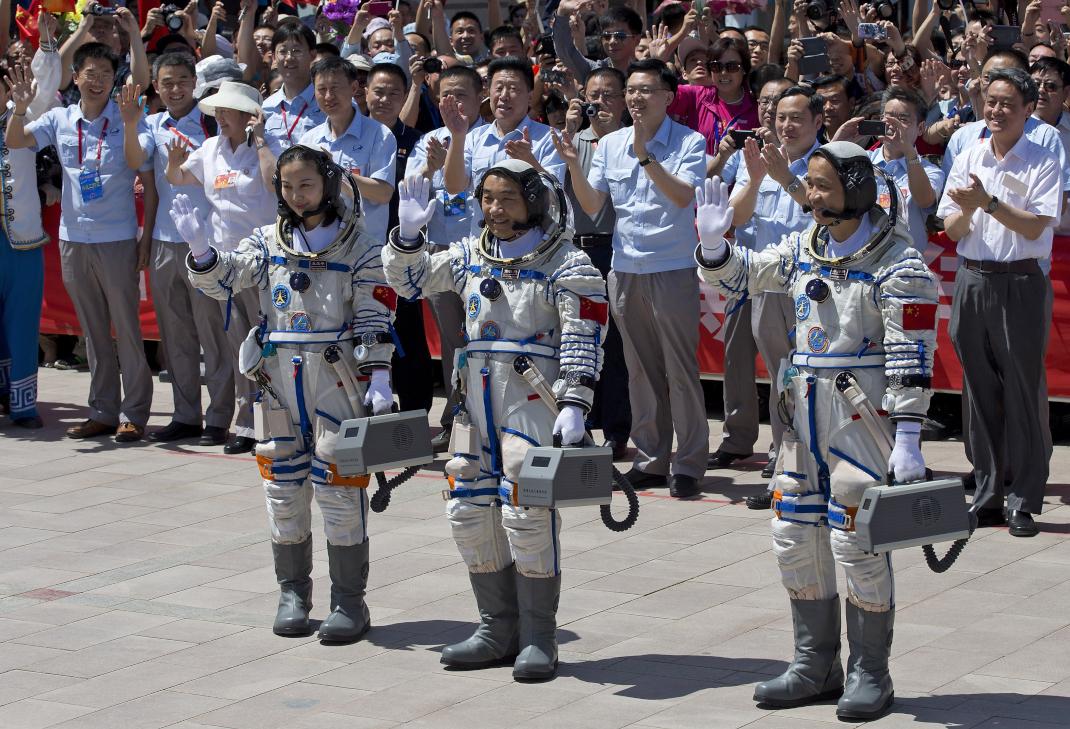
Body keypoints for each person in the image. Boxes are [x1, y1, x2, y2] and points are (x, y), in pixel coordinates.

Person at [695, 142, 939, 721]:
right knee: (794, 533)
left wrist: (908, 436)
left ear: (857, 191)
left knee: (855, 540)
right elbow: (741, 278)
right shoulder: (805, 249)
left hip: (863, 416)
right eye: (811, 184)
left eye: (824, 186)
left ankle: (869, 672)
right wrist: (712, 242)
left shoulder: (899, 265)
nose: (813, 196)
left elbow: (912, 354)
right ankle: (814, 662)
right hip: (802, 415)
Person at [383, 161, 607, 680]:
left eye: (507, 198)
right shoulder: (467, 255)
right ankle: (495, 626)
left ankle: (538, 636)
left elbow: (585, 332)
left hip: (532, 400)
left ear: (535, 201)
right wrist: (410, 235)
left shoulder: (567, 262)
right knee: (467, 507)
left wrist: (575, 402)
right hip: (474, 401)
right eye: (487, 197)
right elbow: (409, 282)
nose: (494, 208)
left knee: (526, 513)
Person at [183, 146, 396, 641]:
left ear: (328, 184)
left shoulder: (360, 248)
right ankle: (293, 593)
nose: (297, 196)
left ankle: (349, 602)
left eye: (306, 185)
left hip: (337, 380)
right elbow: (228, 278)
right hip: (278, 383)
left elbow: (374, 315)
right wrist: (201, 252)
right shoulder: (265, 241)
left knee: (339, 493)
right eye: (287, 186)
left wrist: (380, 377)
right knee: (282, 491)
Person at [553, 58, 709, 499]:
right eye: (632, 90)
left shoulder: (689, 142)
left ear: (667, 95)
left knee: (680, 371)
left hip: (672, 268)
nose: (637, 98)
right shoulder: (610, 143)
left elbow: (682, 198)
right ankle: (651, 458)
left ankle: (690, 462)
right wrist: (572, 166)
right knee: (639, 371)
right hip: (625, 269)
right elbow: (593, 203)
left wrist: (645, 155)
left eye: (646, 90)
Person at [7, 42, 154, 443]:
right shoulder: (59, 118)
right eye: (90, 73)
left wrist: (127, 123)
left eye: (106, 74)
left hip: (117, 239)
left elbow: (142, 172)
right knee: (92, 330)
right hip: (74, 240)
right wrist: (19, 108)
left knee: (126, 329)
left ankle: (135, 412)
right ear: (76, 77)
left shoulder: (128, 117)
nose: (98, 81)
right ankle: (103, 410)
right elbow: (17, 140)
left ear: (114, 80)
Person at [938, 68, 1060, 538]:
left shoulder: (1042, 157)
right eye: (990, 101)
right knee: (978, 391)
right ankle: (987, 494)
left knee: (1023, 391)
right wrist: (969, 208)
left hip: (1022, 282)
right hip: (973, 279)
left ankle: (1025, 498)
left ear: (1028, 109)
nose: (996, 111)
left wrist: (987, 202)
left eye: (1007, 103)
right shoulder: (969, 153)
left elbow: (1035, 227)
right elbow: (949, 230)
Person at [713, 86, 822, 485]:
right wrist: (757, 180)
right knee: (780, 377)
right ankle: (784, 468)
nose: (787, 125)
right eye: (781, 117)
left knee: (811, 378)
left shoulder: (826, 163)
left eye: (796, 118)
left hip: (810, 289)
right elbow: (736, 219)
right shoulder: (757, 160)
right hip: (767, 285)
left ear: (817, 122)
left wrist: (787, 178)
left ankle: (813, 466)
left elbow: (823, 213)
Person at [124, 52, 234, 446]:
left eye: (182, 81)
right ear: (156, 85)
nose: (175, 89)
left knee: (213, 335)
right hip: (165, 244)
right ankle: (186, 415)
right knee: (176, 337)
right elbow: (148, 186)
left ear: (195, 83)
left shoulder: (212, 123)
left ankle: (221, 416)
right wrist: (146, 238)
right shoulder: (151, 125)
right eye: (167, 82)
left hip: (207, 244)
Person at [165, 80, 278, 454]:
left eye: (228, 112)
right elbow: (179, 177)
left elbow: (274, 183)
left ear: (250, 116)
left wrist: (260, 141)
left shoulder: (268, 145)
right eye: (219, 112)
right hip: (224, 262)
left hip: (261, 260)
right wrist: (173, 160)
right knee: (237, 346)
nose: (221, 117)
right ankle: (247, 424)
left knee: (268, 346)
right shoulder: (210, 148)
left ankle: (274, 423)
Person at [406, 65, 486, 452]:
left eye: (461, 95)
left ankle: (489, 417)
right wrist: (429, 167)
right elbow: (409, 191)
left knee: (487, 335)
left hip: (486, 255)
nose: (452, 103)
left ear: (479, 97)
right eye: (446, 96)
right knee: (454, 341)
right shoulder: (430, 140)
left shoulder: (493, 139)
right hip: (441, 253)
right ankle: (456, 417)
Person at [560, 67, 631, 460]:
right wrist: (569, 133)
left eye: (608, 95)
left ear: (624, 100)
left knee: (615, 346)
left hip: (616, 249)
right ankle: (579, 422)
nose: (599, 103)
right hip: (575, 249)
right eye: (592, 95)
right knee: (576, 339)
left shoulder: (631, 142)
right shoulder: (572, 140)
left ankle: (618, 430)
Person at [0, 11, 61, 430]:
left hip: (20, 237)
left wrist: (45, 44)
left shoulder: (19, 115)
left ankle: (22, 403)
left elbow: (43, 92)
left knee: (22, 321)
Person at [442, 56, 566, 235]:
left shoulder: (551, 138)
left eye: (513, 88)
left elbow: (555, 198)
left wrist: (530, 162)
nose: (504, 96)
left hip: (533, 246)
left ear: (530, 97)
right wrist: (457, 136)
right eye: (498, 88)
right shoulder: (472, 138)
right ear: (488, 93)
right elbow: (454, 187)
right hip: (483, 246)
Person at [298, 57, 396, 244]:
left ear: (353, 88)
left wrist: (335, 172)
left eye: (335, 88)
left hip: (365, 248)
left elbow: (383, 193)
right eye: (321, 89)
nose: (328, 96)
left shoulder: (380, 134)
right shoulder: (308, 140)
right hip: (319, 245)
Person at [860, 88, 944, 254]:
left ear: (920, 128)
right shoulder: (861, 161)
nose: (892, 124)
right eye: (887, 117)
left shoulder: (931, 171)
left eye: (903, 119)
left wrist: (908, 151)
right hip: (863, 260)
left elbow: (925, 201)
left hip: (905, 264)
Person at [667, 37, 758, 155]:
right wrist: (658, 59)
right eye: (717, 67)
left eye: (732, 66)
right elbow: (658, 95)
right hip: (698, 172)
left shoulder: (757, 104)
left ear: (744, 69)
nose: (724, 73)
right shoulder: (696, 95)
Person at [262, 19, 325, 157]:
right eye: (283, 51)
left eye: (297, 51)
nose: (289, 58)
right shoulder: (266, 108)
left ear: (312, 54)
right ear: (273, 57)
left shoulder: (328, 101)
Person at [553, 1, 643, 83]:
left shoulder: (647, 73)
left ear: (637, 39)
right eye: (607, 36)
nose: (612, 41)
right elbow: (566, 51)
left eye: (620, 36)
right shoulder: (594, 71)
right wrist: (562, 12)